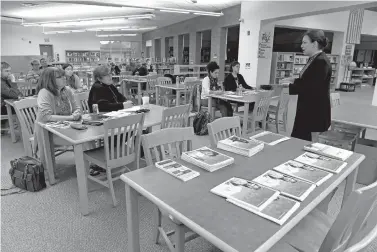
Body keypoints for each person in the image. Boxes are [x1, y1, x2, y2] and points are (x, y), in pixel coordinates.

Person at [281, 30, 332, 142]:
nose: (301, 46)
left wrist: (289, 86)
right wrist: (294, 79)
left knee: (306, 144)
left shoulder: (321, 62)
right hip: (307, 108)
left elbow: (311, 88)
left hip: (314, 112)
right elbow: (308, 80)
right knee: (299, 140)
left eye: (304, 43)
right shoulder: (314, 59)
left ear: (314, 44)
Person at [34, 67, 82, 162]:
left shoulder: (67, 90)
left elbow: (76, 107)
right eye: (59, 77)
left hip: (66, 127)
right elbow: (46, 117)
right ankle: (49, 171)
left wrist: (77, 112)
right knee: (82, 138)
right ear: (50, 80)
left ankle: (89, 164)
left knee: (84, 134)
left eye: (64, 76)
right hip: (47, 131)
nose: (64, 78)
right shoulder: (44, 92)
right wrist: (72, 117)